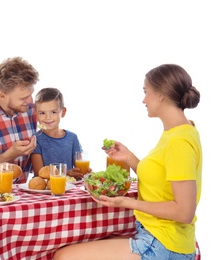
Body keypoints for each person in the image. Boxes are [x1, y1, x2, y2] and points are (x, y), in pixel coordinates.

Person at [54, 64, 202, 260]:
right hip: (155, 235)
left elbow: (184, 212)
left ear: (160, 95)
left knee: (63, 256)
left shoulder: (179, 141)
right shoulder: (178, 132)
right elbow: (162, 179)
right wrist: (130, 158)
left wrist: (127, 202)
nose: (143, 99)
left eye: (146, 92)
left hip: (163, 244)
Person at [31, 87, 90, 179]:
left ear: (63, 112)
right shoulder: (36, 139)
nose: (47, 117)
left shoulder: (72, 138)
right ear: (36, 114)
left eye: (53, 112)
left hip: (70, 187)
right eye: (42, 113)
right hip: (45, 189)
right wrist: (65, 173)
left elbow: (79, 167)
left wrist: (84, 172)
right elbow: (39, 173)